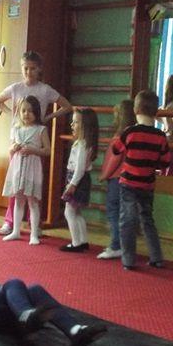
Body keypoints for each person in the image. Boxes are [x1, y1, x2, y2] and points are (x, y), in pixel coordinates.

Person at [0, 51, 73, 237]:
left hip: (35, 139)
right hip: (17, 139)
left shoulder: (45, 90)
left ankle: (33, 223)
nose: (28, 72)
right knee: (16, 183)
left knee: (33, 183)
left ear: (39, 69)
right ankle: (10, 222)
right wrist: (13, 115)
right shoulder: (16, 88)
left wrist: (48, 117)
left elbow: (67, 106)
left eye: (32, 68)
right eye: (25, 68)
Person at [112, 90, 171, 270]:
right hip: (147, 184)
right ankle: (156, 256)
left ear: (135, 110)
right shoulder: (160, 136)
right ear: (156, 112)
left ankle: (128, 260)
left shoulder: (129, 132)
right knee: (147, 220)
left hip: (128, 184)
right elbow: (165, 162)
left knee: (127, 221)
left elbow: (116, 149)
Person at [1, 96, 50, 245]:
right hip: (17, 167)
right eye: (23, 111)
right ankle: (16, 231)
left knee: (33, 201)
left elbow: (47, 150)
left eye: (30, 111)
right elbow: (10, 149)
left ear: (36, 112)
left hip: (32, 168)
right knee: (18, 200)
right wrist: (13, 148)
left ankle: (34, 234)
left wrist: (33, 150)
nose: (26, 114)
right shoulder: (16, 129)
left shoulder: (40, 130)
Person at [97, 99, 136, 260]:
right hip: (129, 179)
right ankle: (123, 245)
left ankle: (116, 245)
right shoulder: (133, 135)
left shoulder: (120, 137)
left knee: (114, 211)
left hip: (116, 178)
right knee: (124, 213)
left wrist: (104, 175)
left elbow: (115, 159)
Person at [60, 108, 99, 252]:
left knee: (69, 212)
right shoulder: (82, 143)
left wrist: (72, 184)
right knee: (76, 212)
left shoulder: (82, 145)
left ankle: (76, 243)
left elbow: (80, 168)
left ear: (85, 126)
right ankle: (83, 241)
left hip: (78, 180)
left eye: (76, 122)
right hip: (79, 179)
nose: (72, 125)